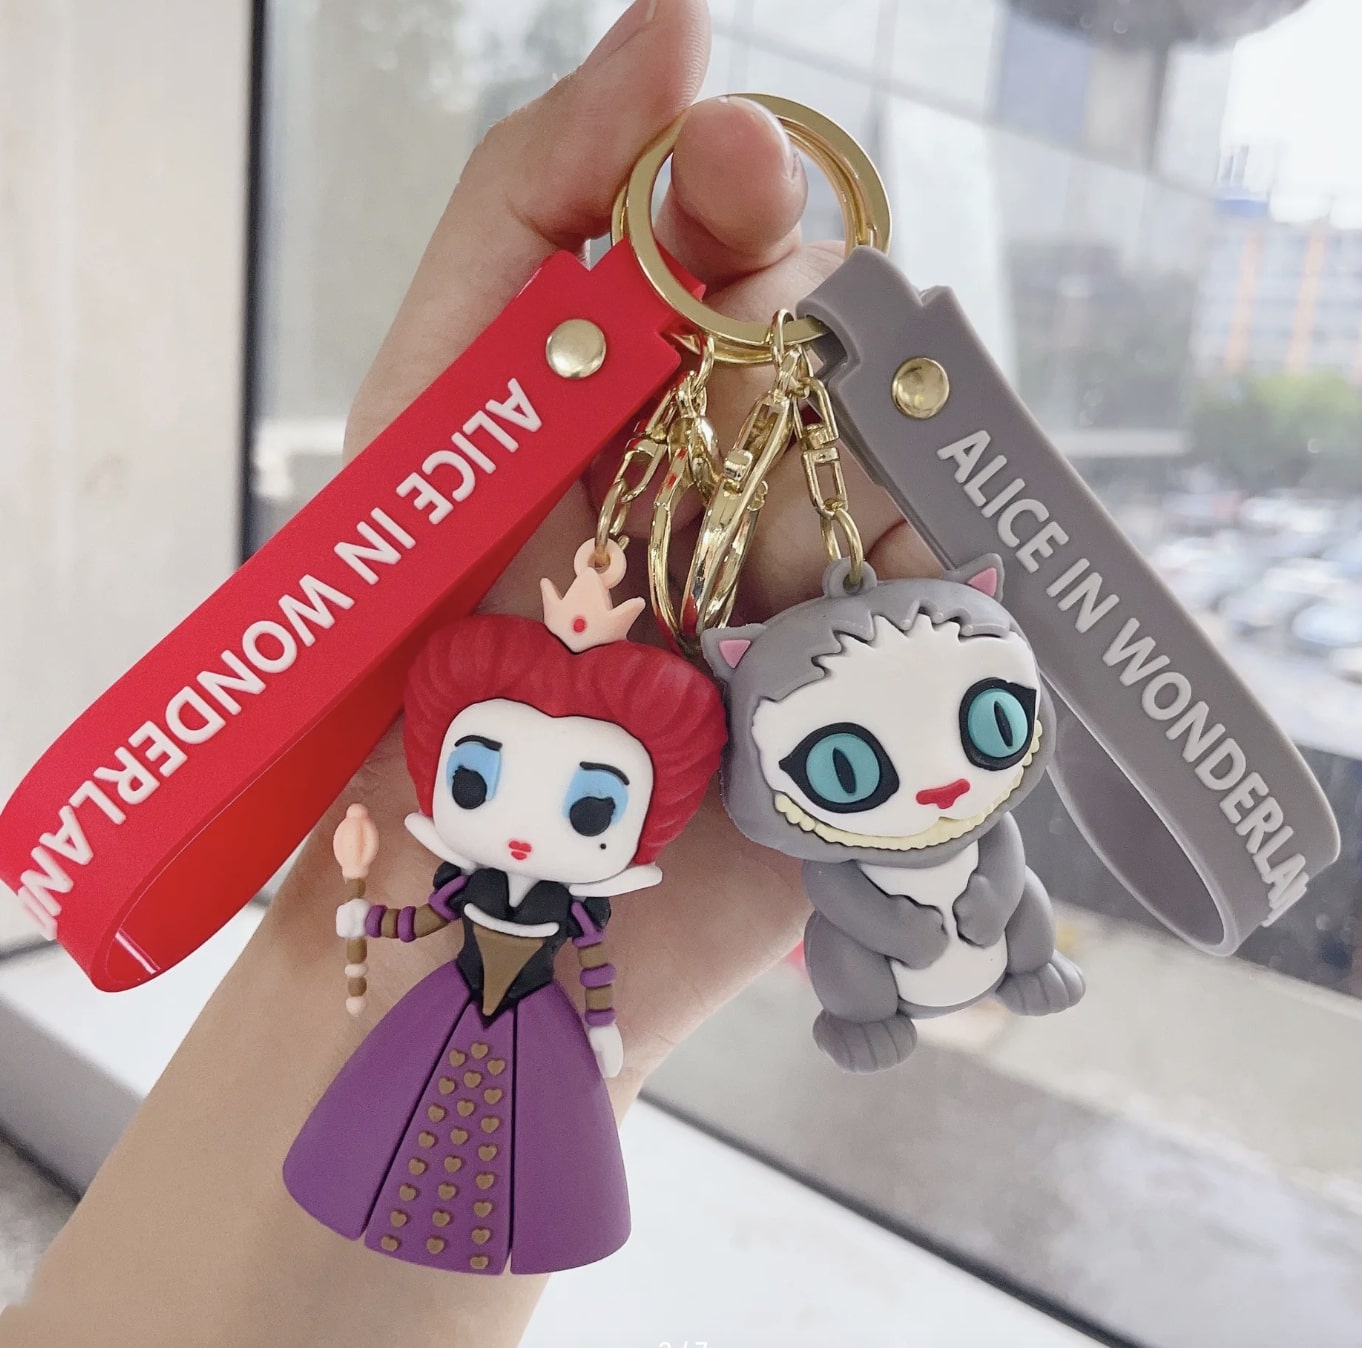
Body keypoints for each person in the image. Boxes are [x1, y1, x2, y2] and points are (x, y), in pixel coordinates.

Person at [0, 1, 935, 1344]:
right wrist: (373, 904)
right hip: (448, 1023)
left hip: (516, 1046)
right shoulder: (461, 874)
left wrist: (585, 1015)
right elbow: (397, 936)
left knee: (498, 1166)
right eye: (479, 774)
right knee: (391, 1143)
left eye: (594, 804)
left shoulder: (579, 911)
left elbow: (569, 974)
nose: (529, 820)